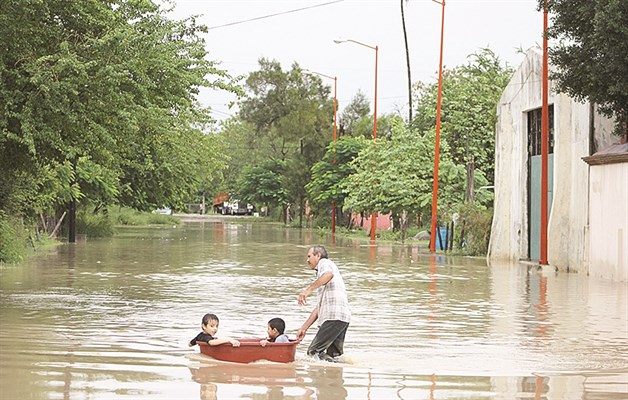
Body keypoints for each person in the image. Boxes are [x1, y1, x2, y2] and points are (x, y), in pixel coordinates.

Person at [296, 245, 350, 362]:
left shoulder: (324, 263)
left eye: (309, 256)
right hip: (342, 318)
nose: (307, 260)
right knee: (335, 356)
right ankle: (338, 375)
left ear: (318, 255)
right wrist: (304, 328)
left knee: (313, 353)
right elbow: (318, 308)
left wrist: (307, 290)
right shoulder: (322, 278)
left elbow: (328, 275)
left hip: (334, 317)